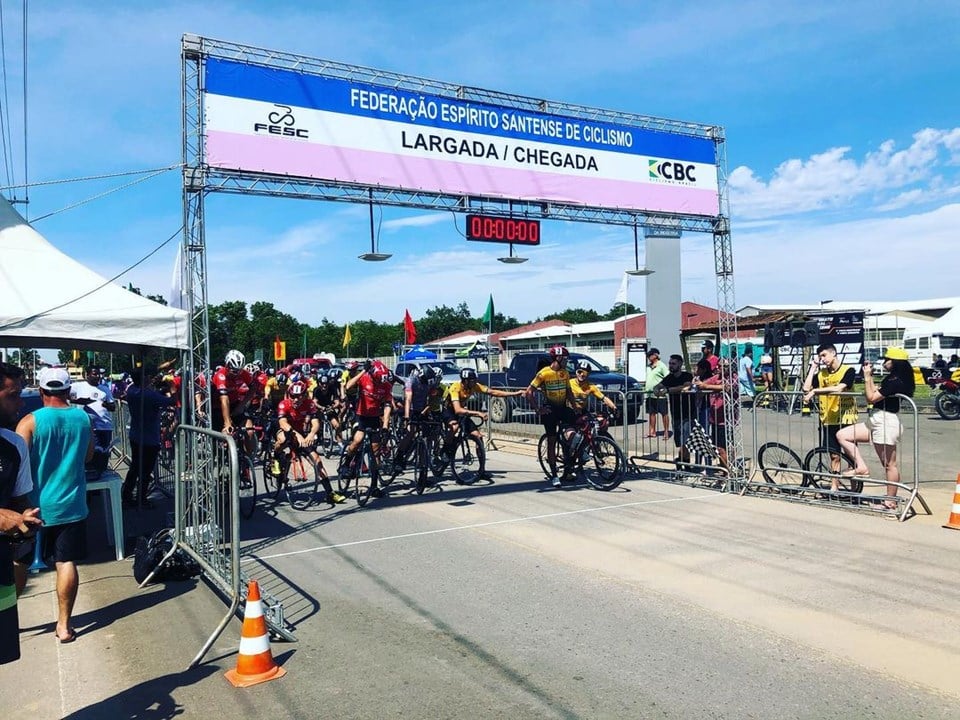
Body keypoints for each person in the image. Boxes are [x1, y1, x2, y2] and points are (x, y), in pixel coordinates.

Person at [16, 367, 94, 644]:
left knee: (18, 563)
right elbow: (87, 457)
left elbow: (16, 465)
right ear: (68, 391)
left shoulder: (30, 421)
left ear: (41, 391)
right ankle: (63, 626)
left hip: (32, 506)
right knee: (66, 562)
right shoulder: (83, 418)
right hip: (71, 504)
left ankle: (10, 623)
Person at [835, 347, 915, 510]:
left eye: (887, 359)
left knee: (889, 464)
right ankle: (862, 467)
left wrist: (866, 377)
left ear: (895, 362)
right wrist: (869, 377)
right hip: (876, 419)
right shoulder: (892, 379)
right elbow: (872, 394)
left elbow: (871, 397)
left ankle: (890, 501)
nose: (884, 362)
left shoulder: (895, 381)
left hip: (885, 421)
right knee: (843, 435)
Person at [0, 362, 41, 664]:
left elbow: (18, 504)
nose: (21, 403)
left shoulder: (14, 444)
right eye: (12, 395)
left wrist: (25, 523)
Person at [443, 367, 523, 481]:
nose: (475, 382)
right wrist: (478, 413)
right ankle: (445, 450)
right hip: (450, 411)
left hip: (462, 412)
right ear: (465, 380)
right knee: (454, 427)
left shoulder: (474, 386)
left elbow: (493, 392)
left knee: (478, 437)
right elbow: (457, 410)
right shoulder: (455, 387)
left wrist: (514, 394)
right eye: (472, 380)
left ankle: (481, 470)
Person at [272, 381, 345, 505]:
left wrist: (311, 434)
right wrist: (297, 435)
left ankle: (330, 493)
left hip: (301, 432)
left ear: (305, 395)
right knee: (283, 440)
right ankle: (276, 459)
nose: (295, 399)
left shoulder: (309, 404)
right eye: (293, 396)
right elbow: (283, 423)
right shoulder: (284, 404)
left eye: (299, 396)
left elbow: (316, 423)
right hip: (285, 429)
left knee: (317, 460)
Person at [802, 343, 858, 484]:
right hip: (828, 419)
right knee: (834, 455)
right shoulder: (821, 374)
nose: (823, 359)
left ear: (834, 354)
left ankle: (853, 488)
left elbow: (839, 388)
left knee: (850, 456)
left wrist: (815, 391)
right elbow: (806, 388)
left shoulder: (848, 370)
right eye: (820, 356)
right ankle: (834, 486)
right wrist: (813, 367)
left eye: (824, 355)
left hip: (846, 418)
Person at [121, 367, 175, 509]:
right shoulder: (149, 395)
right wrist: (172, 387)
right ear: (143, 378)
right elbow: (171, 401)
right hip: (149, 438)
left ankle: (126, 496)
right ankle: (141, 499)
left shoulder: (132, 390)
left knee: (134, 468)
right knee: (145, 471)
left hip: (136, 435)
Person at [525, 345, 577, 487]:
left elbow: (569, 392)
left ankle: (570, 464)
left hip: (563, 407)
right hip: (550, 410)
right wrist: (538, 409)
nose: (567, 361)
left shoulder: (565, 373)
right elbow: (529, 392)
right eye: (565, 358)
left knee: (575, 432)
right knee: (552, 441)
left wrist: (575, 406)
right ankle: (554, 475)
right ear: (558, 358)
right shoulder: (544, 373)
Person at [694, 358, 740, 473]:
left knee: (725, 446)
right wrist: (699, 383)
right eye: (718, 366)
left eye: (722, 366)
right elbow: (703, 384)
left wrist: (706, 387)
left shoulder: (733, 378)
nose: (718, 368)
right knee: (718, 447)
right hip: (714, 417)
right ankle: (723, 468)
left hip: (726, 419)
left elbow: (727, 387)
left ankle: (728, 470)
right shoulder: (716, 377)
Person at [649, 355, 696, 467]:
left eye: (673, 363)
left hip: (688, 412)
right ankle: (682, 460)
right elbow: (658, 386)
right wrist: (656, 390)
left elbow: (686, 386)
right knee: (679, 440)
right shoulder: (669, 378)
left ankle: (684, 462)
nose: (671, 366)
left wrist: (668, 390)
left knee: (686, 439)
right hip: (675, 413)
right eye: (670, 363)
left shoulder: (687, 375)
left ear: (680, 364)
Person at [69, 365, 116, 473]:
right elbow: (65, 394)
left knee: (103, 454)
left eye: (99, 374)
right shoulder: (78, 386)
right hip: (89, 427)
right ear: (87, 374)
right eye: (95, 374)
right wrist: (77, 401)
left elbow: (112, 407)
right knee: (92, 453)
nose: (97, 376)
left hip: (105, 426)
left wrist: (106, 405)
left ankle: (101, 474)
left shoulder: (104, 389)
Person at [644, 348, 670, 438]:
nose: (648, 357)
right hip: (650, 394)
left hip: (660, 395)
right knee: (652, 413)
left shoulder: (662, 366)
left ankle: (666, 431)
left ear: (656, 355)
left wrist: (663, 390)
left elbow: (667, 378)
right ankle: (652, 431)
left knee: (664, 413)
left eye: (650, 355)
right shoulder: (648, 366)